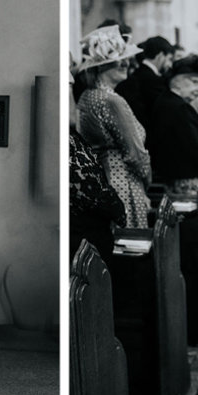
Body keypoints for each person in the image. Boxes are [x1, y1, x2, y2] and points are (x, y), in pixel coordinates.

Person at [76, 25, 152, 229]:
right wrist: (147, 180)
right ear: (101, 67)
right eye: (120, 61)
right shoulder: (112, 100)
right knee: (128, 244)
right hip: (123, 184)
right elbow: (135, 152)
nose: (126, 63)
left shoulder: (87, 95)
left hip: (101, 180)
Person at [69, 71, 126, 263]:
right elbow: (91, 188)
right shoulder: (109, 100)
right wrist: (117, 210)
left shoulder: (87, 96)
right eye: (68, 90)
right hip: (85, 239)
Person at [147, 55, 198, 193]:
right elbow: (195, 147)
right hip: (185, 181)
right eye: (195, 82)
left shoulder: (165, 101)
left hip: (172, 177)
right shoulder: (179, 108)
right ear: (177, 81)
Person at [115, 35, 174, 135]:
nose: (170, 65)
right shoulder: (153, 81)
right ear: (160, 55)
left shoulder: (135, 75)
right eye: (169, 59)